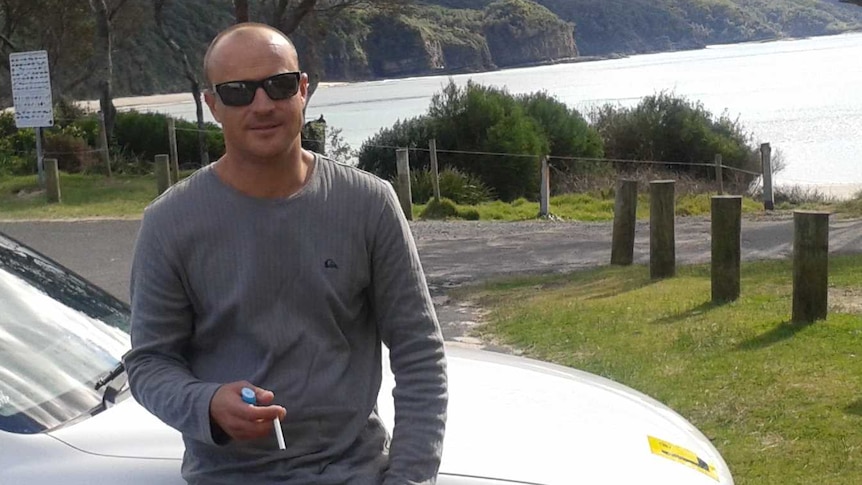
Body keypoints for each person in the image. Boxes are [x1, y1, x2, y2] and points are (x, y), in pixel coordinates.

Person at [124, 22, 448, 485]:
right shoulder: (170, 222)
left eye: (278, 85)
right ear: (212, 105)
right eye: (237, 92)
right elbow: (149, 363)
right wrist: (208, 405)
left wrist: (410, 479)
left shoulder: (368, 203)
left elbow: (420, 353)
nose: (262, 105)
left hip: (355, 472)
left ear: (303, 90)